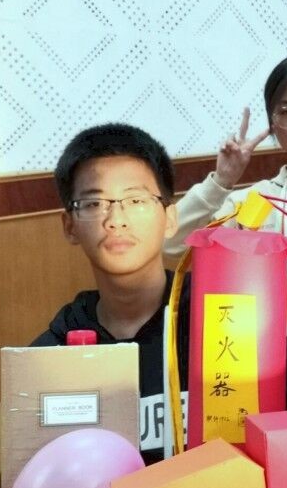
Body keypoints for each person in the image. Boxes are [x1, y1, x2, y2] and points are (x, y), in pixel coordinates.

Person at [32, 124, 188, 464]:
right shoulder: (49, 358)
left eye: (135, 200)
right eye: (93, 203)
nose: (116, 220)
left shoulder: (220, 326)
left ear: (170, 218)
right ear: (69, 226)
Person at [165, 54, 287, 311]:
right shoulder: (255, 201)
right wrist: (221, 182)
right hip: (276, 337)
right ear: (272, 123)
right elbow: (168, 249)